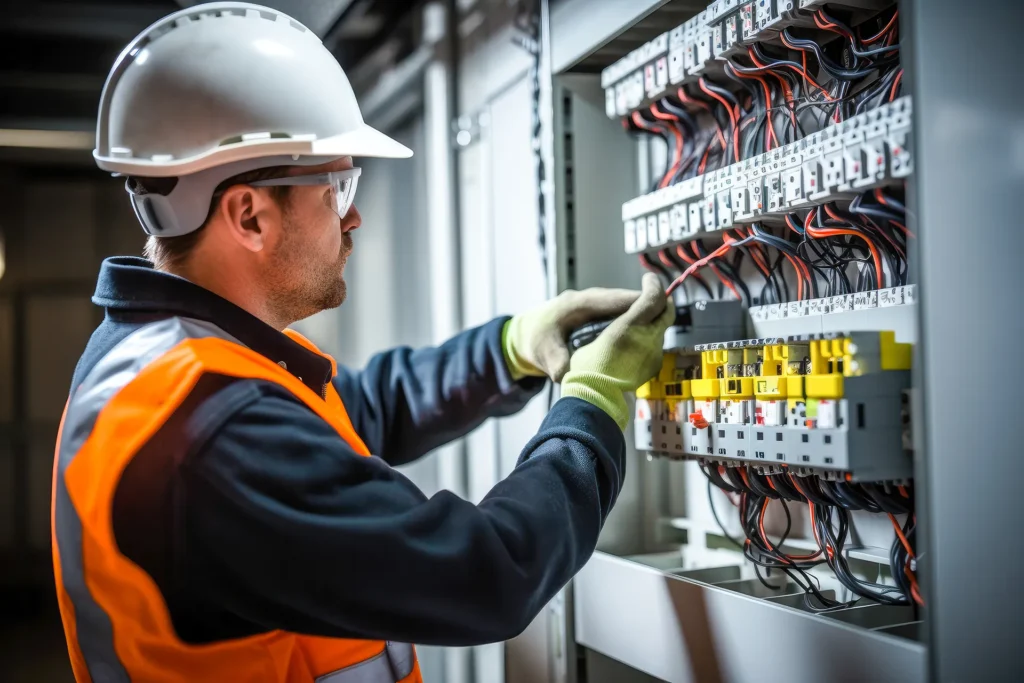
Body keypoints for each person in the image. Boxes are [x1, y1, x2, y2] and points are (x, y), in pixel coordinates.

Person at [52, 4, 673, 682]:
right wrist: (591, 405)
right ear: (249, 215)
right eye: (336, 186)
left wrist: (510, 348)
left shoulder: (163, 358)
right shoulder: (210, 437)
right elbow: (485, 574)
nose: (354, 215)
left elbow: (362, 407)